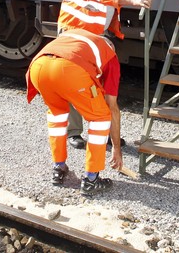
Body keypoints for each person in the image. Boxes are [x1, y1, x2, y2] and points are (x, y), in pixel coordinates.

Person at [57, 0, 175, 149]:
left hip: (99, 35)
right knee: (73, 82)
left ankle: (103, 131)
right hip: (74, 32)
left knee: (101, 84)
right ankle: (73, 132)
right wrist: (132, 0)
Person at [26, 28, 123, 194]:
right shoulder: (110, 55)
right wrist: (116, 148)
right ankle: (91, 179)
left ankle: (58, 169)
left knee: (57, 116)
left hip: (38, 67)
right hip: (68, 69)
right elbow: (112, 107)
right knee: (100, 118)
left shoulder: (78, 36)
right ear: (111, 46)